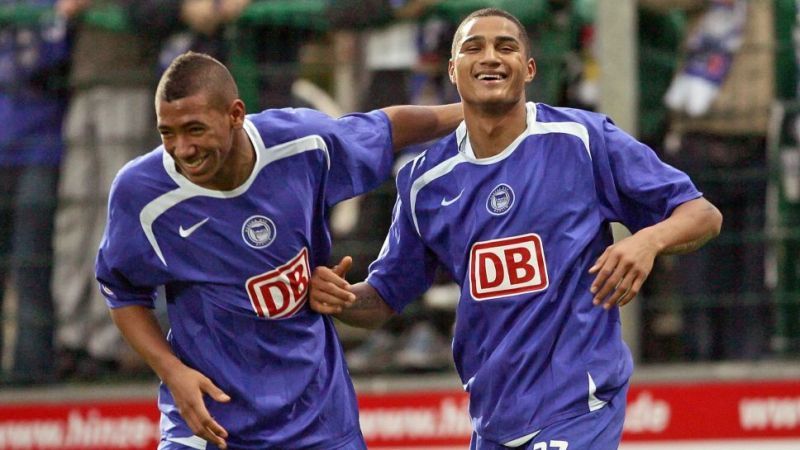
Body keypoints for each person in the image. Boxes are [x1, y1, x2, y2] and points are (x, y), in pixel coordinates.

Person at [309, 8, 723, 450]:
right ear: (453, 70)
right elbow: (386, 297)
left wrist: (647, 241)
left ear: (528, 69)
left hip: (578, 406)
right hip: (492, 420)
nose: (490, 57)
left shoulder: (581, 139)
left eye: (505, 47)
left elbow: (702, 215)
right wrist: (343, 299)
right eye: (474, 47)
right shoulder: (424, 181)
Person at [95, 51, 462, 449]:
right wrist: (172, 372)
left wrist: (475, 109)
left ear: (235, 114)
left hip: (316, 419)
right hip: (210, 425)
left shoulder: (301, 144)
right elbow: (122, 291)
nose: (182, 149)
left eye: (195, 129)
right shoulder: (142, 194)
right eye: (168, 133)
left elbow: (388, 127)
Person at [0, 0, 69, 385]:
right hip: (5, 142)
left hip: (39, 146)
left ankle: (31, 367)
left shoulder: (49, 7)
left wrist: (58, 18)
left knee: (30, 263)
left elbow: (52, 62)